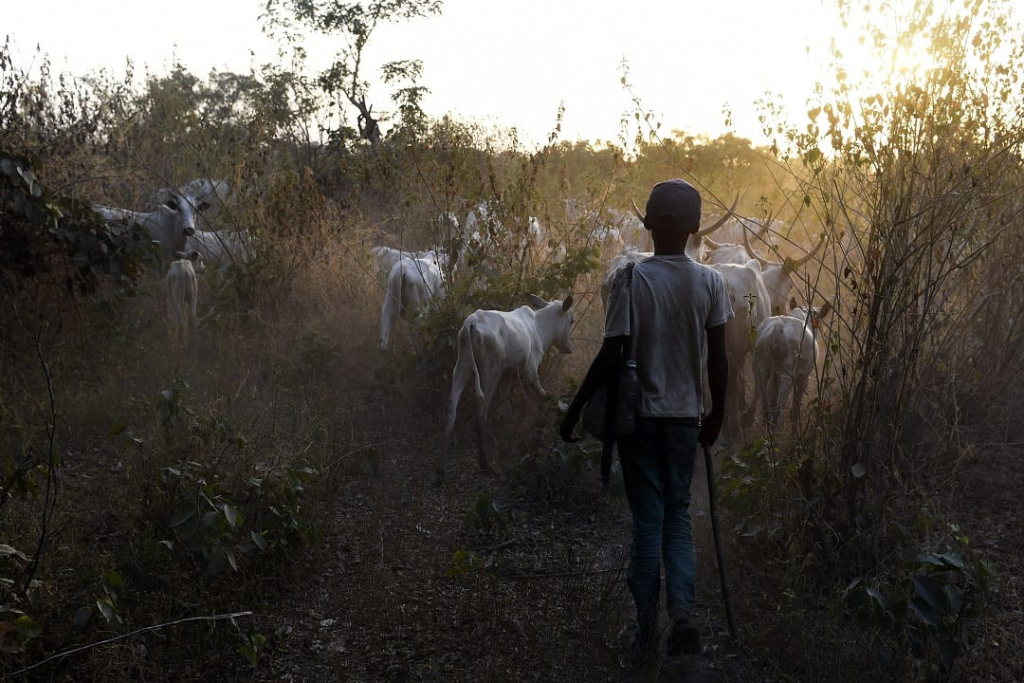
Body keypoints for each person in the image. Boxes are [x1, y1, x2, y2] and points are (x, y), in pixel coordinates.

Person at [560, 179, 731, 662]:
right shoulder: (711, 282)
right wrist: (717, 414)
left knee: (647, 522)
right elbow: (719, 360)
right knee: (678, 517)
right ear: (697, 229)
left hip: (638, 422)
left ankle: (644, 632)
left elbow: (611, 355)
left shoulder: (630, 279)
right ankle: (683, 614)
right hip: (684, 422)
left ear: (647, 226)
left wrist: (575, 410)